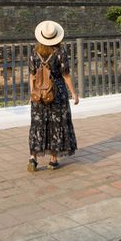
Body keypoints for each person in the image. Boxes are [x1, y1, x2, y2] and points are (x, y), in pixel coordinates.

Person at [28, 20, 79, 171]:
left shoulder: (34, 52)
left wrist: (34, 93)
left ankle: (33, 158)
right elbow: (66, 75)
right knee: (57, 124)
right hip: (57, 93)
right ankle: (53, 160)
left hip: (38, 94)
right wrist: (74, 94)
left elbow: (31, 75)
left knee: (38, 125)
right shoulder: (60, 53)